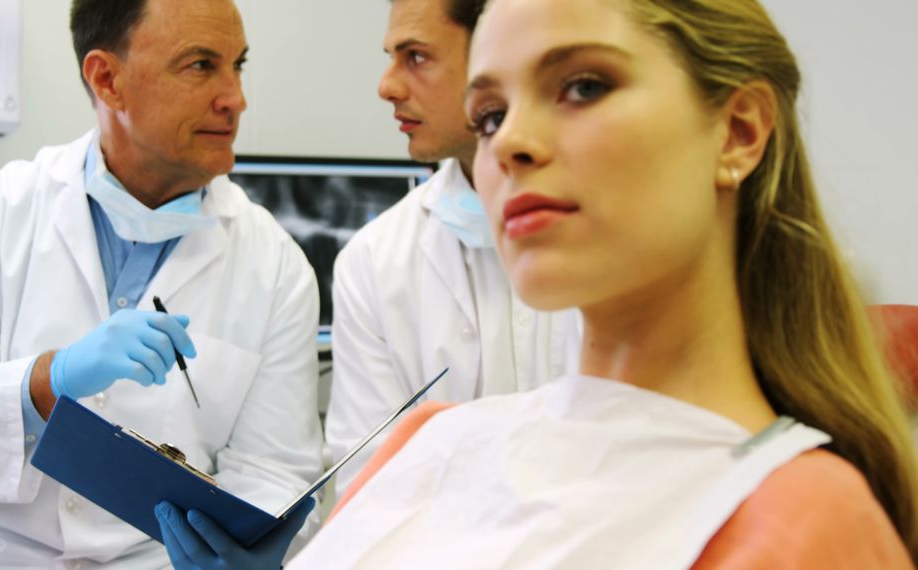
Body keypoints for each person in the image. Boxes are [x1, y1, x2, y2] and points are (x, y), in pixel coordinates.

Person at [288, 0, 918, 566]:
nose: (511, 144)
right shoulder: (429, 442)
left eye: (583, 86)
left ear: (738, 131)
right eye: (489, 116)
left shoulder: (804, 521)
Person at [0, 0, 323, 566]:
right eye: (201, 65)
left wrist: (253, 550)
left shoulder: (275, 265)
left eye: (238, 65)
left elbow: (276, 472)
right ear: (108, 80)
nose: (235, 97)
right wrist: (46, 381)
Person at [323, 0, 581, 496]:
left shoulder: (618, 228)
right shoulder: (374, 261)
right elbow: (373, 487)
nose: (387, 86)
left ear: (499, 53)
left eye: (416, 57)